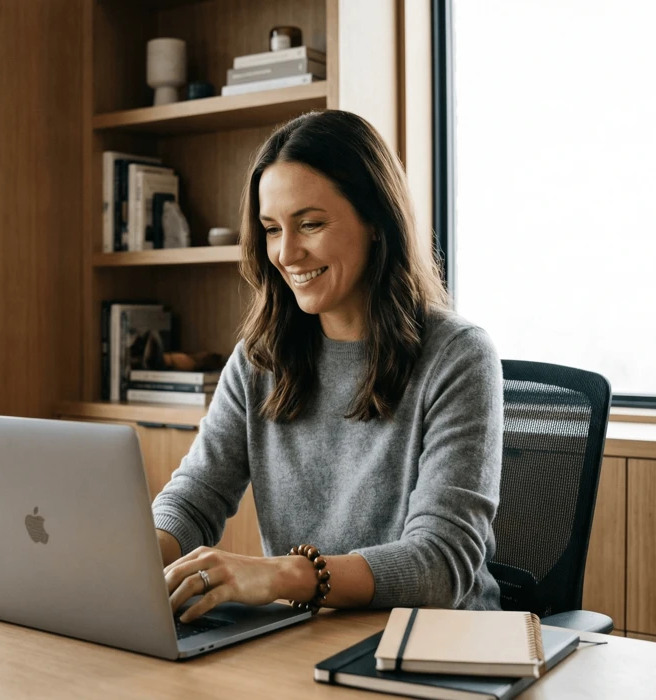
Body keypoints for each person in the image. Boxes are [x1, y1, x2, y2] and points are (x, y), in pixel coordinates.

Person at [152, 110, 503, 623]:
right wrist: (133, 562)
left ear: (376, 223)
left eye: (310, 224)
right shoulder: (260, 356)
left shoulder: (459, 356)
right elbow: (194, 499)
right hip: (310, 637)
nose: (287, 253)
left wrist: (278, 575)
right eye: (272, 229)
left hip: (435, 645)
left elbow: (440, 565)